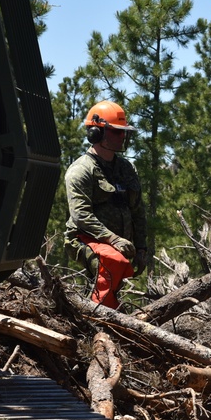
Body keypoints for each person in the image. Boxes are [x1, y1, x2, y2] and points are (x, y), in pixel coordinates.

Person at [64, 100, 148, 310]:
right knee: (112, 264)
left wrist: (141, 247)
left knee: (113, 272)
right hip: (84, 238)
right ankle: (99, 317)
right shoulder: (81, 170)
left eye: (124, 132)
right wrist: (113, 239)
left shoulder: (126, 168)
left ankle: (100, 311)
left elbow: (137, 210)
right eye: (117, 132)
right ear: (96, 133)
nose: (123, 137)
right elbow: (81, 216)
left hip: (118, 243)